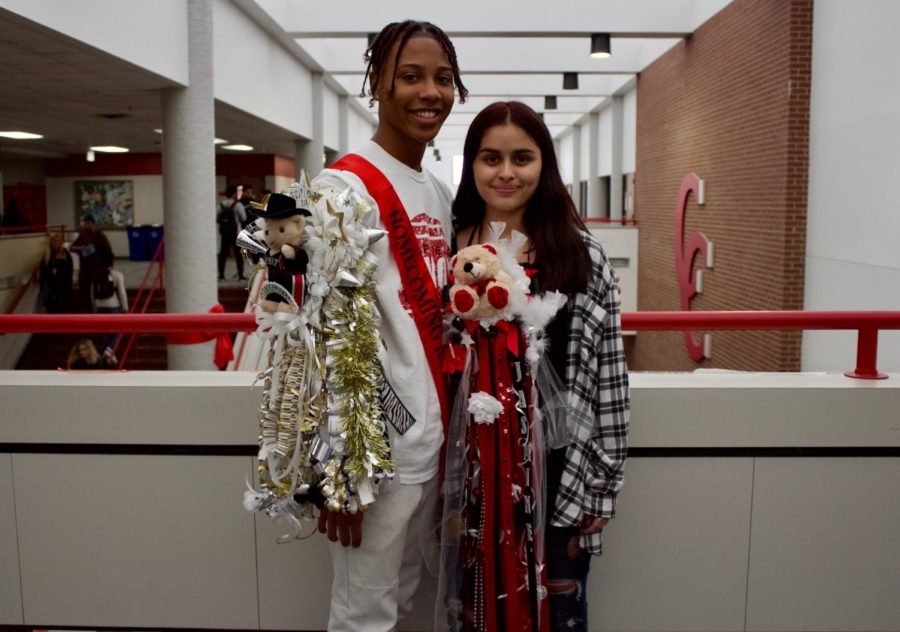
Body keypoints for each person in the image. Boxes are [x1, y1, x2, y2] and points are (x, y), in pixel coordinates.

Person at [310, 20, 467, 632]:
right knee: (363, 613)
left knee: (405, 601)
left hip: (434, 444)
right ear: (376, 82)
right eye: (410, 76)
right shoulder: (341, 188)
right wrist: (341, 466)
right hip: (376, 457)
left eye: (443, 78)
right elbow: (318, 339)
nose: (430, 92)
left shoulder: (439, 190)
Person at [451, 101, 630, 631]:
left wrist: (602, 483)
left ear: (544, 165)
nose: (506, 173)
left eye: (522, 158)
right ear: (471, 165)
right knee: (473, 616)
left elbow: (609, 375)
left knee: (559, 616)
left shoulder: (580, 255)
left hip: (560, 486)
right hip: (470, 487)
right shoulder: (449, 250)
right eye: (490, 158)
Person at [91, 250, 129, 365]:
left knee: (106, 331)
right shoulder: (117, 274)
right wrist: (125, 308)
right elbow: (121, 292)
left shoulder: (96, 274)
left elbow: (92, 292)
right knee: (119, 329)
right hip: (113, 305)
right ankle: (110, 350)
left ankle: (109, 355)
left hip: (100, 306)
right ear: (112, 262)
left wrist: (95, 308)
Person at [70, 216, 113, 307]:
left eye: (88, 224)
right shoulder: (83, 234)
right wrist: (81, 248)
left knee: (97, 290)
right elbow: (72, 247)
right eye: (85, 224)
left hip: (98, 267)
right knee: (84, 289)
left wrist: (109, 265)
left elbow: (108, 251)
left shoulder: (100, 235)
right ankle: (88, 308)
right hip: (85, 267)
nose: (86, 226)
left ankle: (96, 309)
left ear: (93, 224)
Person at [216, 184, 247, 281]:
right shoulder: (238, 205)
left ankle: (221, 274)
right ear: (234, 194)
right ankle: (240, 275)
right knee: (238, 254)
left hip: (224, 233)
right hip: (236, 233)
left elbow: (216, 218)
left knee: (223, 254)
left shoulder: (220, 205)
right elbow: (243, 218)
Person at [39, 233, 73, 313]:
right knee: (49, 305)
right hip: (50, 285)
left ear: (61, 242)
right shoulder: (47, 254)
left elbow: (69, 270)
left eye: (57, 241)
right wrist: (42, 287)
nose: (55, 243)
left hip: (62, 285)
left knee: (61, 306)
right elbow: (43, 272)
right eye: (53, 241)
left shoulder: (65, 254)